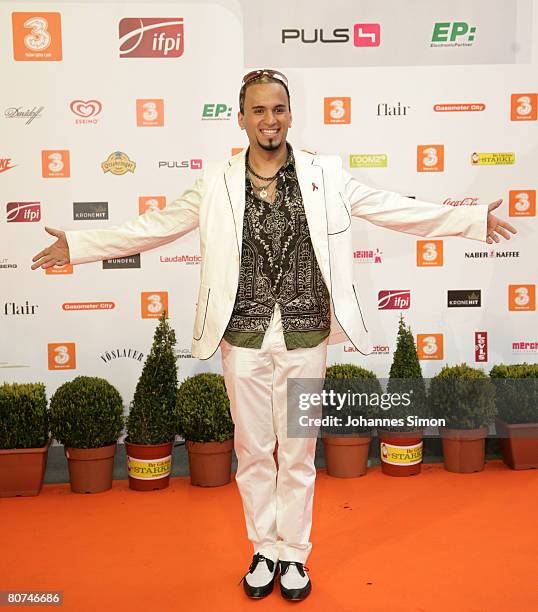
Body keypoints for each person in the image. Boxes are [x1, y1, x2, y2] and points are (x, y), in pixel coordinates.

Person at [32, 69, 517, 602]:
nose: (270, 120)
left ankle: (296, 556)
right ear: (241, 119)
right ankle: (264, 549)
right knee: (255, 449)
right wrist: (78, 245)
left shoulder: (325, 174)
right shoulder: (215, 181)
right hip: (242, 334)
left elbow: (390, 208)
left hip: (306, 332)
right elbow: (152, 227)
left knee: (300, 451)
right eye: (259, 110)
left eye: (279, 109)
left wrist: (467, 220)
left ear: (291, 114)